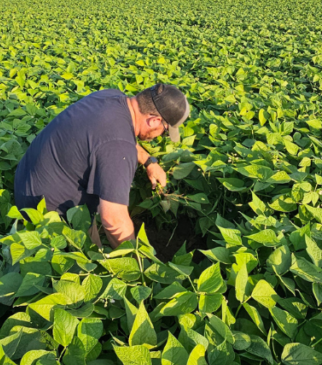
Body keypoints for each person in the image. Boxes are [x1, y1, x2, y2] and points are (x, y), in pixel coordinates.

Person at [14, 83, 190, 247]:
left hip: (27, 180)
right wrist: (137, 267)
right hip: (48, 214)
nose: (160, 136)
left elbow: (112, 137)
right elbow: (113, 221)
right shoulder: (119, 147)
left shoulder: (111, 97)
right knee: (90, 258)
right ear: (154, 121)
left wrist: (148, 161)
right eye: (165, 131)